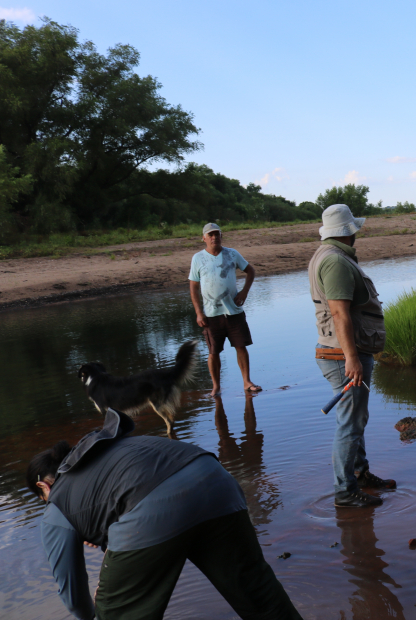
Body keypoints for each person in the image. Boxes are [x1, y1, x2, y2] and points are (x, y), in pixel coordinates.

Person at [26, 408, 303, 620]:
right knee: (255, 590)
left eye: (43, 499)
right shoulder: (107, 450)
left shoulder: (57, 505)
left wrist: (99, 611)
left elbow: (72, 593)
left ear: (43, 486)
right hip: (215, 480)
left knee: (116, 613)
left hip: (153, 507)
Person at [308, 204, 394, 508]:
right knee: (350, 423)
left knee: (355, 418)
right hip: (343, 355)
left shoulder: (329, 257)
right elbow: (339, 313)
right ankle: (345, 492)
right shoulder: (335, 262)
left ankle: (360, 474)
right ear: (349, 231)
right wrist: (352, 358)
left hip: (339, 353)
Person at [189, 222, 261, 395]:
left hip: (234, 311)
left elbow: (250, 271)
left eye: (217, 234)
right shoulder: (198, 258)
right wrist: (199, 313)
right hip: (211, 315)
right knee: (213, 352)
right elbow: (193, 287)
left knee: (241, 346)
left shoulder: (232, 254)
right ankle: (216, 386)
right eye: (210, 235)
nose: (214, 237)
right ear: (204, 238)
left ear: (221, 236)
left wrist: (244, 292)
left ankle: (246, 381)